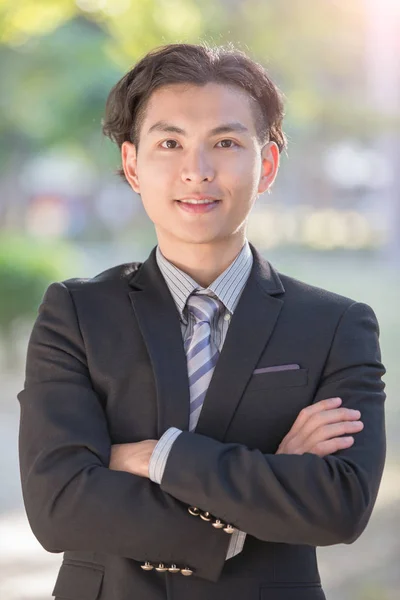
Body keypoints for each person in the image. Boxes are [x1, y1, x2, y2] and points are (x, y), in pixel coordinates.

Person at [17, 43, 386, 600]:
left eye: (226, 142)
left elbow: (338, 507)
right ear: (132, 164)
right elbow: (58, 506)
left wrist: (152, 456)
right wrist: (264, 489)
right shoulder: (75, 315)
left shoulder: (337, 325)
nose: (197, 170)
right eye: (170, 143)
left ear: (266, 166)